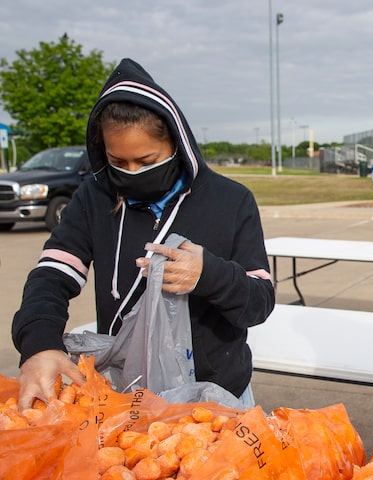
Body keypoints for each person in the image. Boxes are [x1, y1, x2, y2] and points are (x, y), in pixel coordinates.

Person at [12, 58, 275, 408]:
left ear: (177, 146)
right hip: (125, 396)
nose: (132, 172)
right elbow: (52, 275)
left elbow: (259, 303)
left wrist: (208, 274)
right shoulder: (94, 196)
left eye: (147, 161)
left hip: (218, 396)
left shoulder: (231, 200)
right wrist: (39, 343)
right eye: (119, 163)